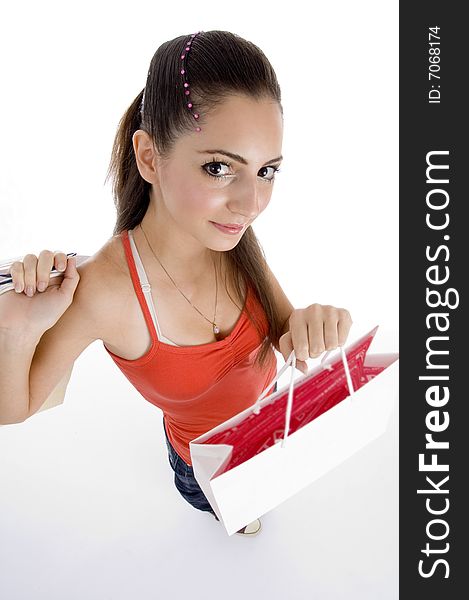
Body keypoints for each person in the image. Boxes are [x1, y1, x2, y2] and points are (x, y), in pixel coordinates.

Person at [0, 30, 352, 536]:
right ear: (148, 157)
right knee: (242, 519)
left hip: (273, 430)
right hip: (206, 466)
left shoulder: (231, 239)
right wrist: (14, 331)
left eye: (267, 171)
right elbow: (15, 409)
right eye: (218, 168)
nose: (251, 203)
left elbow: (282, 331)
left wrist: (312, 325)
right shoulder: (105, 290)